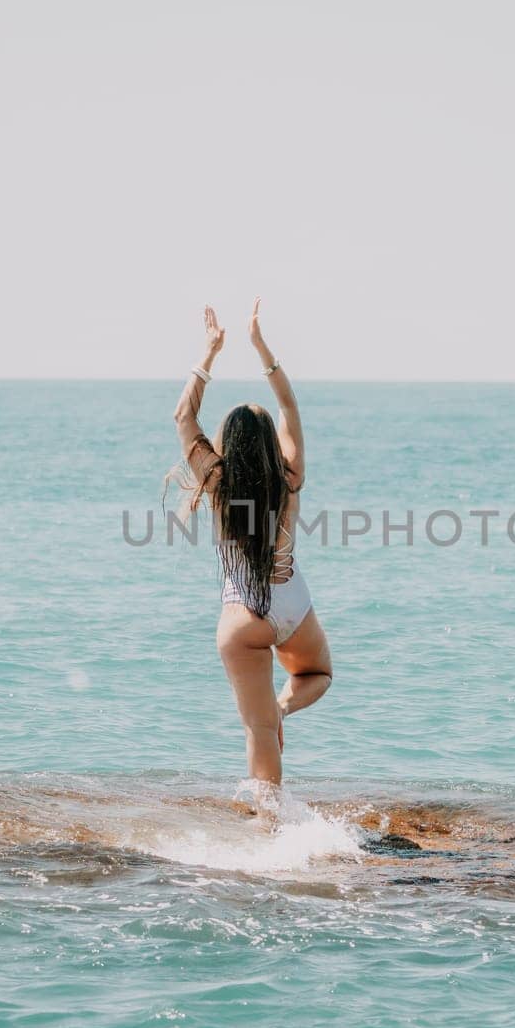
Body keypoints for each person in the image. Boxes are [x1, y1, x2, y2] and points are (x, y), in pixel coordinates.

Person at [171, 298, 333, 786]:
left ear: (228, 443)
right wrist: (261, 346)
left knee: (257, 730)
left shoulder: (217, 481)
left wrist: (209, 353)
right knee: (318, 675)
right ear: (268, 441)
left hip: (242, 616)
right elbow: (288, 405)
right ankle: (284, 705)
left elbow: (183, 416)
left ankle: (269, 825)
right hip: (290, 601)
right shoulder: (291, 476)